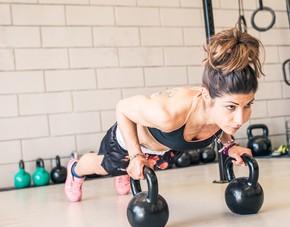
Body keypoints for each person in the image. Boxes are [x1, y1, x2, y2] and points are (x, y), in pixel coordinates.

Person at [64, 27, 264, 202]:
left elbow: (216, 124)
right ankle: (75, 170)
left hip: (165, 149)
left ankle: (126, 172)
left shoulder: (219, 110)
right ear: (206, 96)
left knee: (136, 168)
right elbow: (123, 108)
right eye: (231, 107)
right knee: (104, 166)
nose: (240, 119)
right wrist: (135, 156)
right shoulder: (168, 113)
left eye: (248, 105)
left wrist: (230, 146)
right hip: (131, 141)